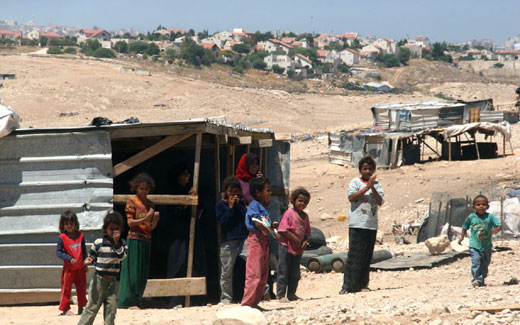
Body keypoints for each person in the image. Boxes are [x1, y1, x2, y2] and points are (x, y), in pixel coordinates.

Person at [340, 155, 384, 294]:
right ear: (360, 170)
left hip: (370, 225)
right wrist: (366, 188)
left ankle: (363, 284)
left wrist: (373, 187)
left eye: (370, 169)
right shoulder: (355, 182)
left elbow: (380, 201)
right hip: (357, 224)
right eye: (365, 169)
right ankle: (347, 286)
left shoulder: (377, 185)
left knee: (366, 256)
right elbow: (351, 198)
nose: (367, 171)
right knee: (354, 255)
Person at [77, 211, 127, 325]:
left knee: (111, 309)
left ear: (121, 229)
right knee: (92, 307)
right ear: (105, 228)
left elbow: (122, 256)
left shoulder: (122, 244)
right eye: (111, 228)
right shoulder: (98, 242)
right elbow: (92, 255)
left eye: (117, 229)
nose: (114, 231)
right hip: (99, 281)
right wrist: (89, 260)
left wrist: (116, 243)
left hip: (112, 283)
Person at [118, 173, 160, 309]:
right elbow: (130, 223)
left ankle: (137, 300)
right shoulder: (132, 202)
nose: (144, 191)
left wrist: (155, 220)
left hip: (146, 240)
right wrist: (146, 217)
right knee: (133, 272)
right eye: (141, 188)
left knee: (142, 273)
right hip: (134, 240)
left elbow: (150, 227)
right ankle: (128, 302)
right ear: (136, 188)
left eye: (146, 189)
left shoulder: (150, 204)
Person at [241, 177, 280, 310]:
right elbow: (257, 222)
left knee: (263, 275)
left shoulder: (263, 207)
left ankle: (254, 303)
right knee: (254, 274)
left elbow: (264, 223)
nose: (270, 193)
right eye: (267, 190)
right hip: (256, 240)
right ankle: (247, 304)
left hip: (264, 241)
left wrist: (272, 226)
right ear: (258, 192)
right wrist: (271, 231)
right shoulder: (254, 205)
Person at [458, 195, 502, 287]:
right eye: (478, 204)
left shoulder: (490, 217)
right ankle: (476, 279)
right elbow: (464, 227)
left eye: (483, 204)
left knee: (485, 264)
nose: (481, 206)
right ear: (473, 206)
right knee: (476, 261)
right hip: (475, 245)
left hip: (487, 246)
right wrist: (462, 237)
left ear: (488, 206)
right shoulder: (471, 217)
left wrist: (495, 230)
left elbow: (498, 225)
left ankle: (482, 278)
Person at [216, 176, 248, 303]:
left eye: (236, 192)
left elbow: (246, 218)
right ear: (225, 191)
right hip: (228, 242)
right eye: (231, 191)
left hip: (242, 239)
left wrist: (239, 205)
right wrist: (230, 207)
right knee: (227, 271)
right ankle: (226, 298)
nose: (233, 194)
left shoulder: (241, 204)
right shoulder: (221, 205)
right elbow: (223, 222)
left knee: (250, 267)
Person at [276, 187, 311, 302]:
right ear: (294, 200)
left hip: (298, 249)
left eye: (305, 202)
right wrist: (296, 240)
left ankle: (292, 294)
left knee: (295, 273)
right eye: (300, 200)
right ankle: (281, 295)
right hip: (286, 246)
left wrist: (304, 241)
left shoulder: (305, 217)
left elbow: (307, 233)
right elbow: (284, 230)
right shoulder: (289, 213)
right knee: (283, 271)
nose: (302, 203)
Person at [56, 210, 88, 315]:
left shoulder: (81, 236)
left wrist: (85, 263)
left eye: (71, 223)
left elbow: (84, 251)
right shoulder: (62, 238)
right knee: (66, 289)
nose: (69, 226)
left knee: (82, 289)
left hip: (80, 268)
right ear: (63, 225)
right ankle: (65, 309)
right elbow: (59, 252)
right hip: (69, 269)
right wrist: (69, 259)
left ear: (76, 224)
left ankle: (81, 307)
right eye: (66, 224)